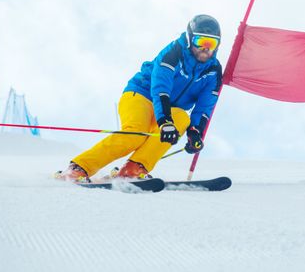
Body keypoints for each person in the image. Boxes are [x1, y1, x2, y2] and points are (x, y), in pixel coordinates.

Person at [58, 14, 222, 182]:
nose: (206, 48)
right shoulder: (173, 54)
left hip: (168, 110)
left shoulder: (214, 71)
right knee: (134, 134)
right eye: (201, 41)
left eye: (212, 43)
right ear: (189, 39)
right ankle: (79, 167)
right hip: (141, 95)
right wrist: (165, 121)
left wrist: (195, 133)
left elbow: (204, 107)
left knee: (181, 119)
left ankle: (134, 168)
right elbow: (160, 89)